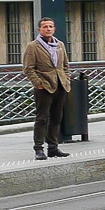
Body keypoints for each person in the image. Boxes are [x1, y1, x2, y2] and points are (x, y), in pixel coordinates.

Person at [22, 17, 71, 161]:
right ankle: (38, 149)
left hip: (60, 85)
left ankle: (53, 148)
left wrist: (66, 79)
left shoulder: (60, 44)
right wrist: (38, 83)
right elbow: (28, 68)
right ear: (39, 30)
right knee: (42, 118)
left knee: (56, 118)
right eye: (45, 27)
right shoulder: (33, 46)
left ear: (54, 29)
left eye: (50, 26)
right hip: (44, 87)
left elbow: (65, 66)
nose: (48, 29)